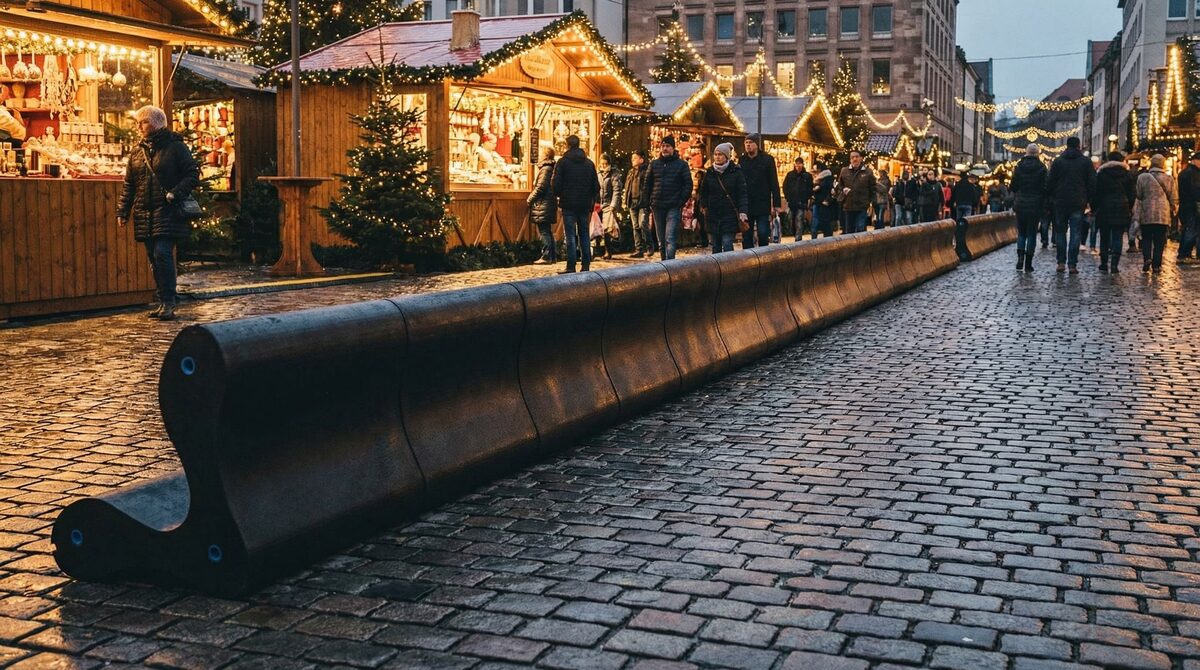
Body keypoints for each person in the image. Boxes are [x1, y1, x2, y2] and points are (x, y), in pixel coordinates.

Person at [117, 105, 199, 321]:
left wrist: (175, 193)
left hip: (168, 211)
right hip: (145, 213)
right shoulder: (137, 151)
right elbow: (130, 184)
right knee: (154, 258)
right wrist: (123, 211)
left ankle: (170, 302)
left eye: (142, 122)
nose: (138, 126)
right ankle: (163, 300)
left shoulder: (175, 147)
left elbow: (192, 174)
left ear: (155, 123)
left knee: (162, 254)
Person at [1045, 136, 1096, 274]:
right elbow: (1092, 183)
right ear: (1079, 146)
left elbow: (1049, 182)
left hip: (1060, 202)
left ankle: (1061, 262)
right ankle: (1072, 264)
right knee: (1075, 233)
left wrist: (1050, 198)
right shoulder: (1086, 162)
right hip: (1078, 203)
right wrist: (1091, 201)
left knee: (1060, 232)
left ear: (1066, 146)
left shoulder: (1058, 162)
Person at [639, 135, 692, 260]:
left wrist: (680, 201)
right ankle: (664, 265)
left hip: (673, 206)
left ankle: (670, 265)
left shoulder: (681, 165)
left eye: (667, 146)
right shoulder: (654, 164)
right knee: (661, 240)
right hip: (657, 206)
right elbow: (647, 184)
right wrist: (647, 202)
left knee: (670, 238)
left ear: (673, 148)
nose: (665, 149)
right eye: (663, 146)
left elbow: (687, 185)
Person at [552, 135, 600, 273]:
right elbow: (596, 186)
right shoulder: (589, 163)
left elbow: (556, 184)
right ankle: (586, 265)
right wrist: (590, 198)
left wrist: (560, 194)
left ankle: (571, 265)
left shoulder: (562, 162)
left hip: (568, 203)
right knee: (584, 234)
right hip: (584, 204)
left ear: (567, 145)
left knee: (570, 235)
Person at [698, 142, 749, 254]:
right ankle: (717, 270)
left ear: (727, 157)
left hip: (729, 214)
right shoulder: (710, 172)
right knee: (715, 246)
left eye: (720, 154)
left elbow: (742, 193)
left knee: (727, 243)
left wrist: (743, 211)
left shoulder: (735, 171)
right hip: (713, 214)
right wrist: (704, 206)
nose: (717, 157)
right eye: (716, 154)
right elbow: (704, 192)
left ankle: (729, 268)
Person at [1092, 151, 1136, 273]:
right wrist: (1129, 207)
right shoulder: (1126, 174)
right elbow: (1132, 194)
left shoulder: (1102, 173)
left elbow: (1096, 192)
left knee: (1104, 237)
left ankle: (1104, 263)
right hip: (1122, 208)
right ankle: (1114, 265)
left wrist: (1094, 207)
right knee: (1118, 237)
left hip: (1104, 208)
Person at [1134, 153, 1177, 274]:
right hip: (1162, 213)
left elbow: (1139, 194)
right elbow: (1174, 197)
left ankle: (1147, 258)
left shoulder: (1142, 177)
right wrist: (1174, 209)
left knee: (1146, 238)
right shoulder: (1169, 178)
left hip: (1147, 212)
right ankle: (1157, 265)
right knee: (1160, 240)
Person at [1009, 144, 1048, 272]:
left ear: (1026, 152)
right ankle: (1028, 263)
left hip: (1020, 204)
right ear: (1037, 153)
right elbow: (1045, 188)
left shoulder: (1019, 166)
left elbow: (1013, 186)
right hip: (1035, 205)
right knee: (1031, 234)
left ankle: (1020, 258)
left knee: (1021, 233)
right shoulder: (1042, 167)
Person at [738, 134, 781, 248]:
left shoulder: (767, 160)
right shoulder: (742, 160)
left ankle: (763, 255)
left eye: (750, 143)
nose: (748, 145)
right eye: (746, 143)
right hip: (747, 203)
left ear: (757, 144)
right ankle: (747, 258)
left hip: (762, 202)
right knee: (747, 233)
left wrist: (776, 203)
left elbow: (773, 181)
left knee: (763, 233)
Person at [528, 146, 557, 265]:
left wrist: (530, 198)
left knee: (544, 230)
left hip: (543, 203)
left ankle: (546, 256)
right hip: (547, 203)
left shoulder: (546, 169)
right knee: (547, 230)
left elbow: (541, 187)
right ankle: (552, 256)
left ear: (545, 156)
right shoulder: (549, 168)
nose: (539, 155)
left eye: (541, 153)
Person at [837, 150, 876, 234]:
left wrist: (871, 202)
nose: (855, 159)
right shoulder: (844, 171)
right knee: (849, 231)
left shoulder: (868, 172)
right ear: (850, 160)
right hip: (848, 206)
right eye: (852, 157)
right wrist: (843, 190)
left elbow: (873, 188)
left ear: (861, 158)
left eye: (857, 157)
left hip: (862, 206)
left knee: (860, 228)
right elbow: (839, 186)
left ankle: (862, 247)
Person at [625, 149, 651, 258]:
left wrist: (648, 200)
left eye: (635, 158)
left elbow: (648, 187)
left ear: (641, 159)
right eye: (632, 158)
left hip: (643, 202)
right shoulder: (631, 172)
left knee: (642, 224)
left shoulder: (646, 171)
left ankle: (650, 246)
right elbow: (627, 186)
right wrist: (626, 200)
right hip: (633, 202)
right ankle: (639, 249)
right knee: (635, 226)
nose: (633, 160)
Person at [596, 153, 623, 261]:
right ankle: (598, 249)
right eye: (601, 163)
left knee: (607, 228)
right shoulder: (598, 173)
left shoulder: (614, 174)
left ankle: (608, 250)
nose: (603, 165)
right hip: (599, 204)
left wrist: (613, 205)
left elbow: (617, 190)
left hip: (608, 204)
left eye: (605, 163)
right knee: (598, 228)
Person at [1176, 150, 1200, 264]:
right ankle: (1184, 254)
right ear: (1195, 161)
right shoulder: (1192, 173)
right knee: (1191, 230)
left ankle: (1184, 253)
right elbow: (1195, 190)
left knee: (1188, 230)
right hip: (1192, 206)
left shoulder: (1186, 172)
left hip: (1187, 206)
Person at [783, 157, 813, 240]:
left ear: (802, 164)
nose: (798, 165)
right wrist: (787, 197)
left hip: (802, 201)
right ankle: (795, 233)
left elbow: (810, 188)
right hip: (792, 201)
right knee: (790, 219)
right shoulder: (790, 175)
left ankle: (798, 237)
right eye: (797, 163)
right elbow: (785, 187)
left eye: (800, 163)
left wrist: (807, 198)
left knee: (799, 219)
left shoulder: (807, 176)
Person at [811, 162, 836, 238]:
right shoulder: (817, 179)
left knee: (819, 224)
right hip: (819, 203)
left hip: (823, 203)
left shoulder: (826, 178)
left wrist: (818, 187)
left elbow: (829, 189)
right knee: (820, 224)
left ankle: (815, 240)